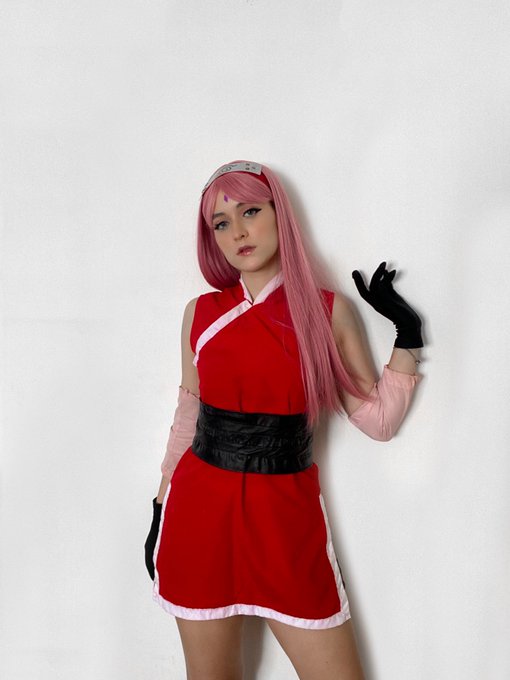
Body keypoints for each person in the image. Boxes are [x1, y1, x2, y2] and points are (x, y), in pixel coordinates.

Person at [144, 160, 423, 680]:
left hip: (285, 523)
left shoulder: (325, 312)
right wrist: (161, 506)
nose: (238, 232)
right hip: (199, 516)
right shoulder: (200, 313)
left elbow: (378, 421)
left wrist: (407, 335)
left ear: (279, 215)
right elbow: (188, 419)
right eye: (221, 222)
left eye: (250, 211)